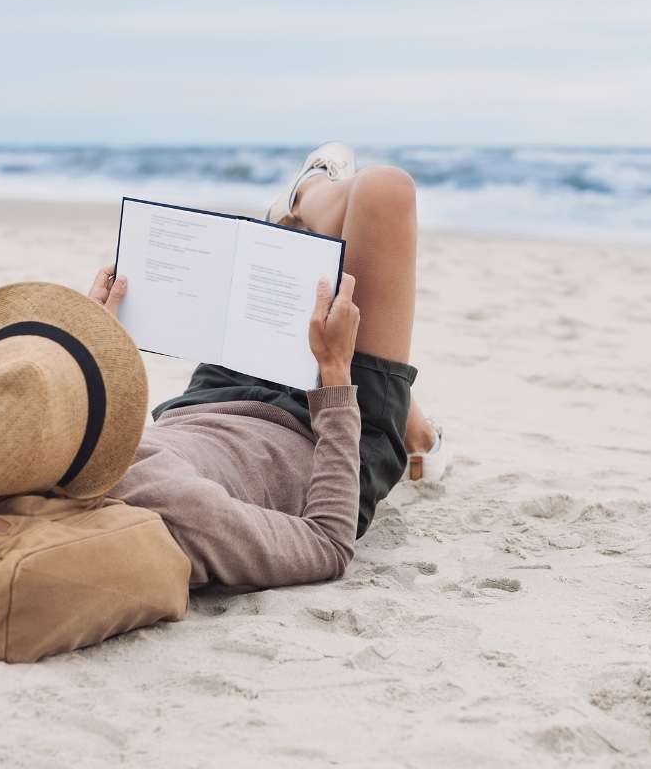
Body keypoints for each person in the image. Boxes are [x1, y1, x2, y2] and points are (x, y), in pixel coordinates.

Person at [88, 144, 446, 589]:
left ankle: (296, 219)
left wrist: (98, 350)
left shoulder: (51, 469)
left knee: (281, 269)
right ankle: (302, 200)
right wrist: (335, 371)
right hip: (319, 432)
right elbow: (328, 545)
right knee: (384, 190)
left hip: (209, 400)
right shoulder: (182, 522)